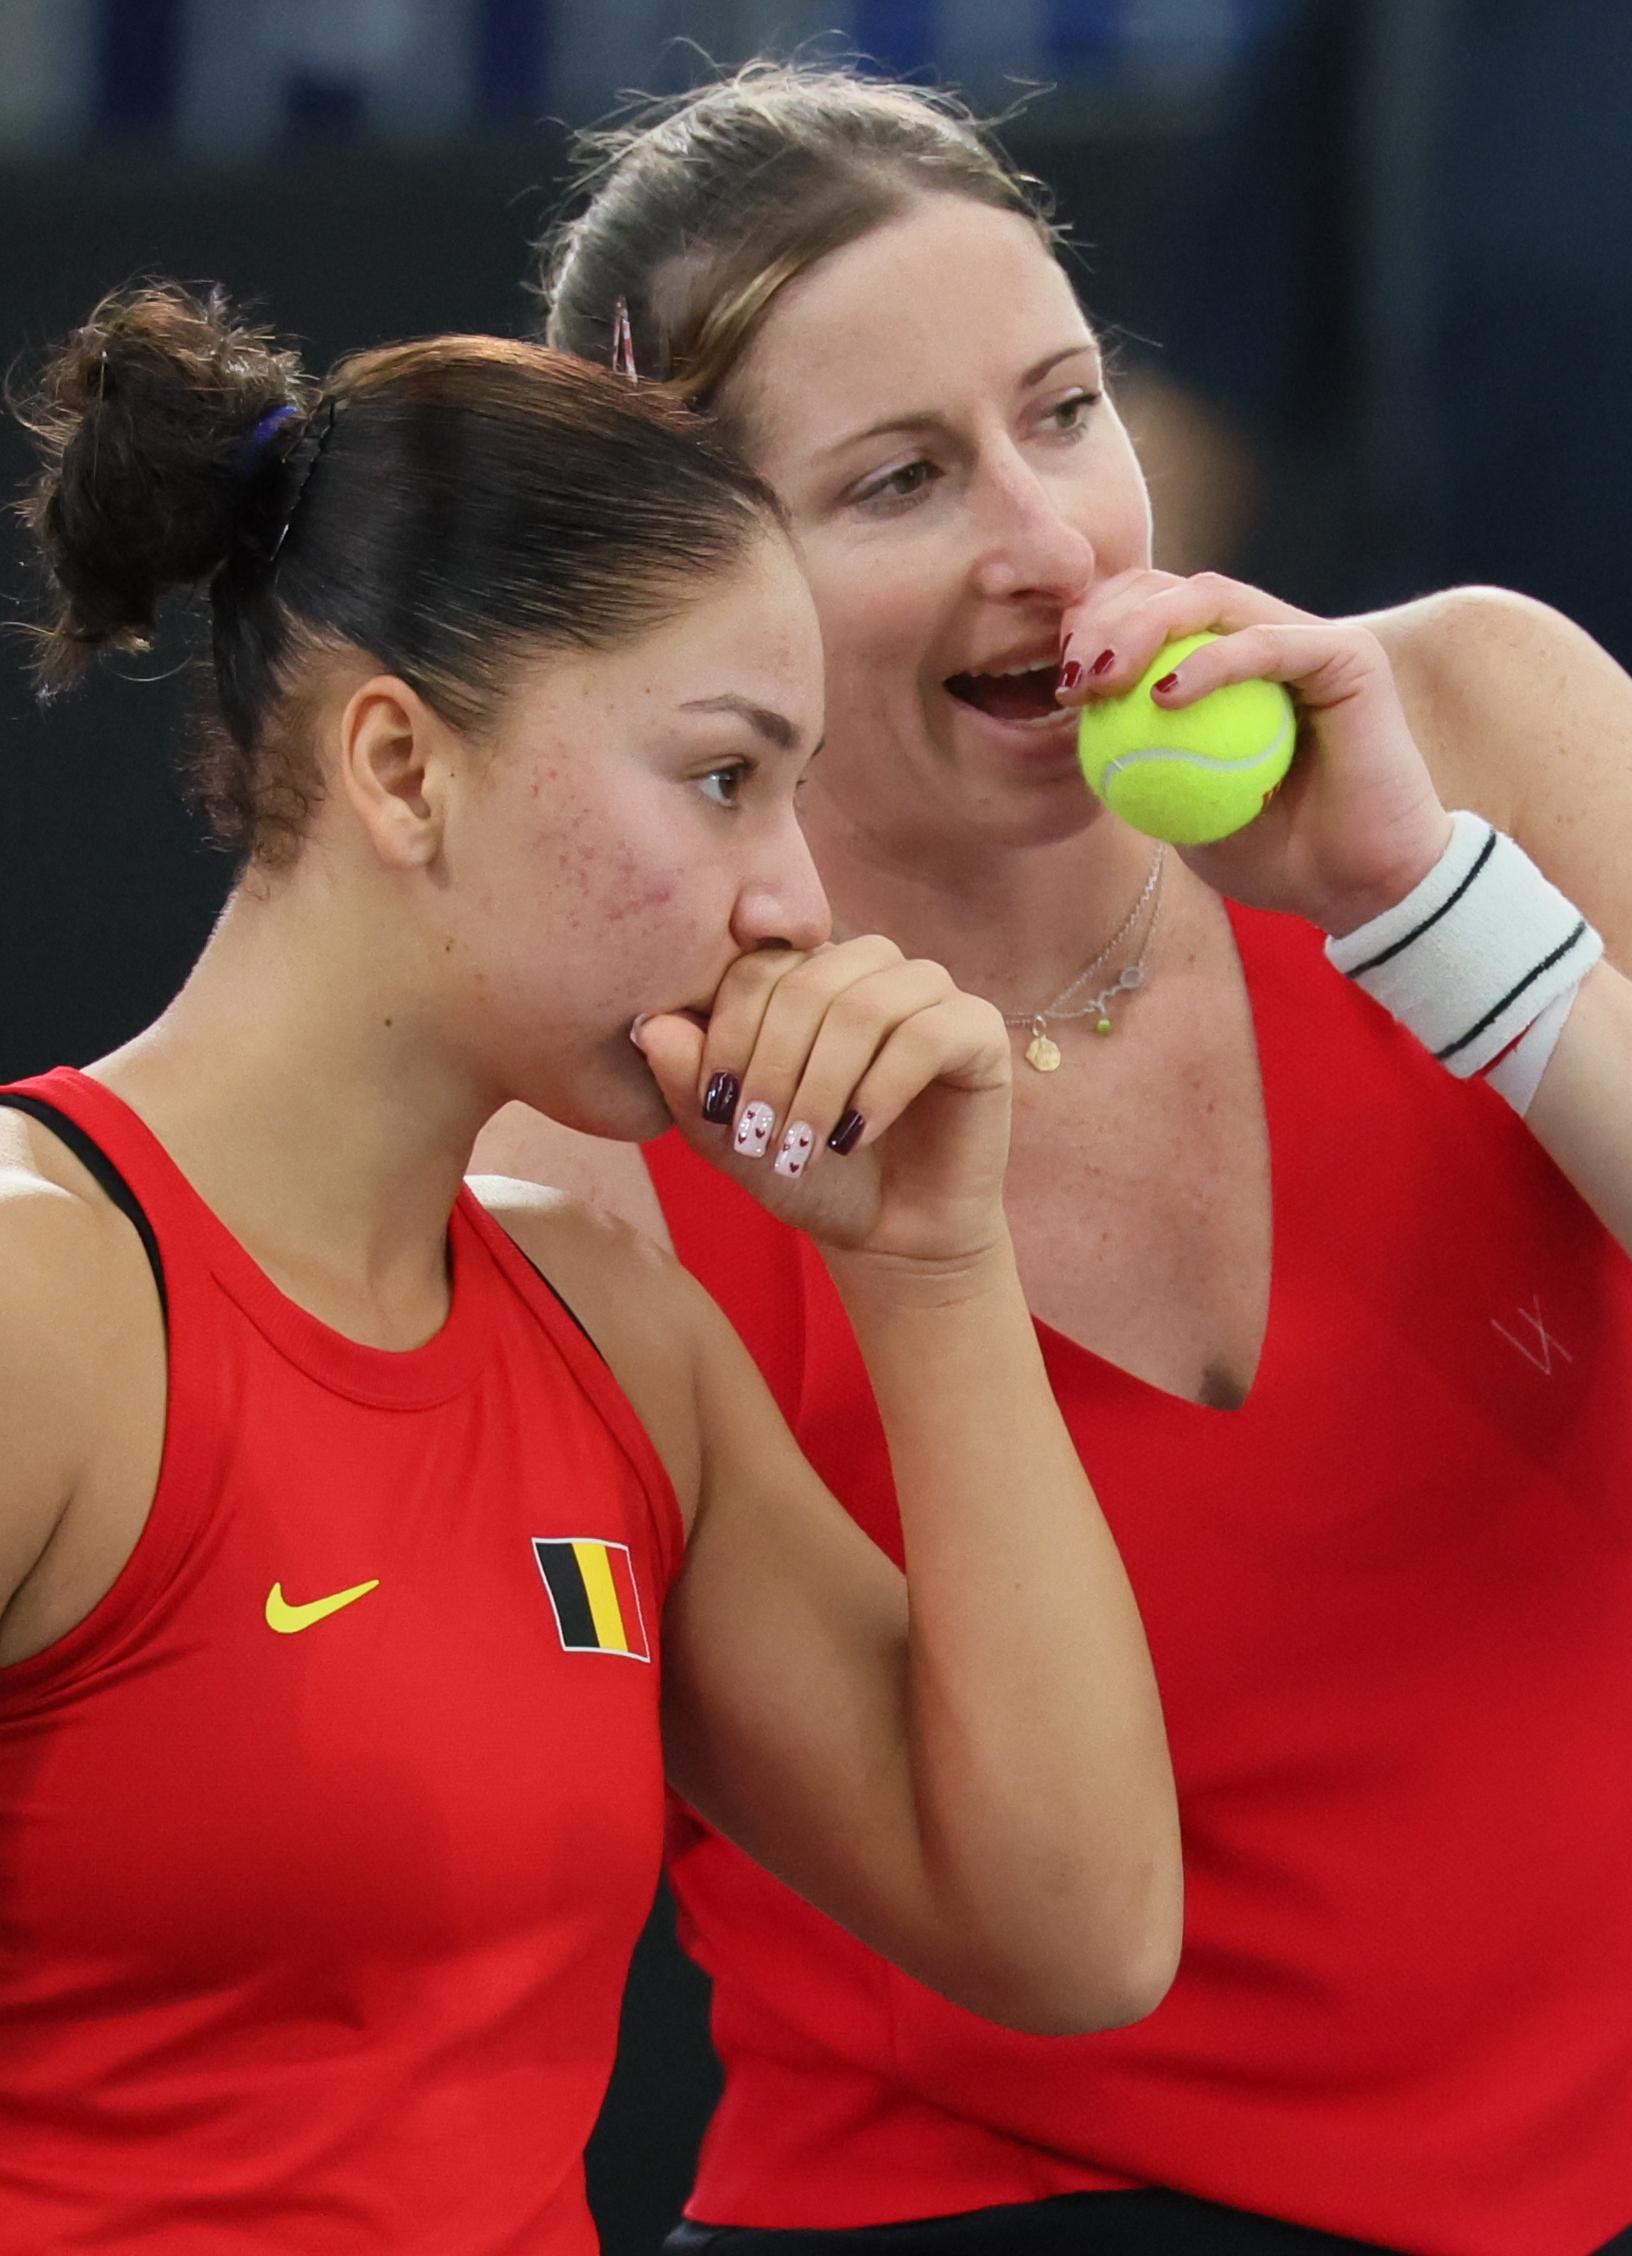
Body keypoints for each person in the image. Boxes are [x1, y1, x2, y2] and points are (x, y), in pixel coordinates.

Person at [476, 61, 1632, 2256]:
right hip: (974, 2209)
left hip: (1629, 2180)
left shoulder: (1480, 715)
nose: (1047, 548)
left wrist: (1434, 920)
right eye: (897, 482)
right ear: (682, 583)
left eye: (1061, 413)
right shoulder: (582, 1127)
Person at [0, 283, 1187, 2254]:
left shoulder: (614, 1333)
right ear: (397, 768)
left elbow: (1073, 1933)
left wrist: (933, 1262)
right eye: (723, 776)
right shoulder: (39, 1308)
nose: (792, 896)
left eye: (793, 792)